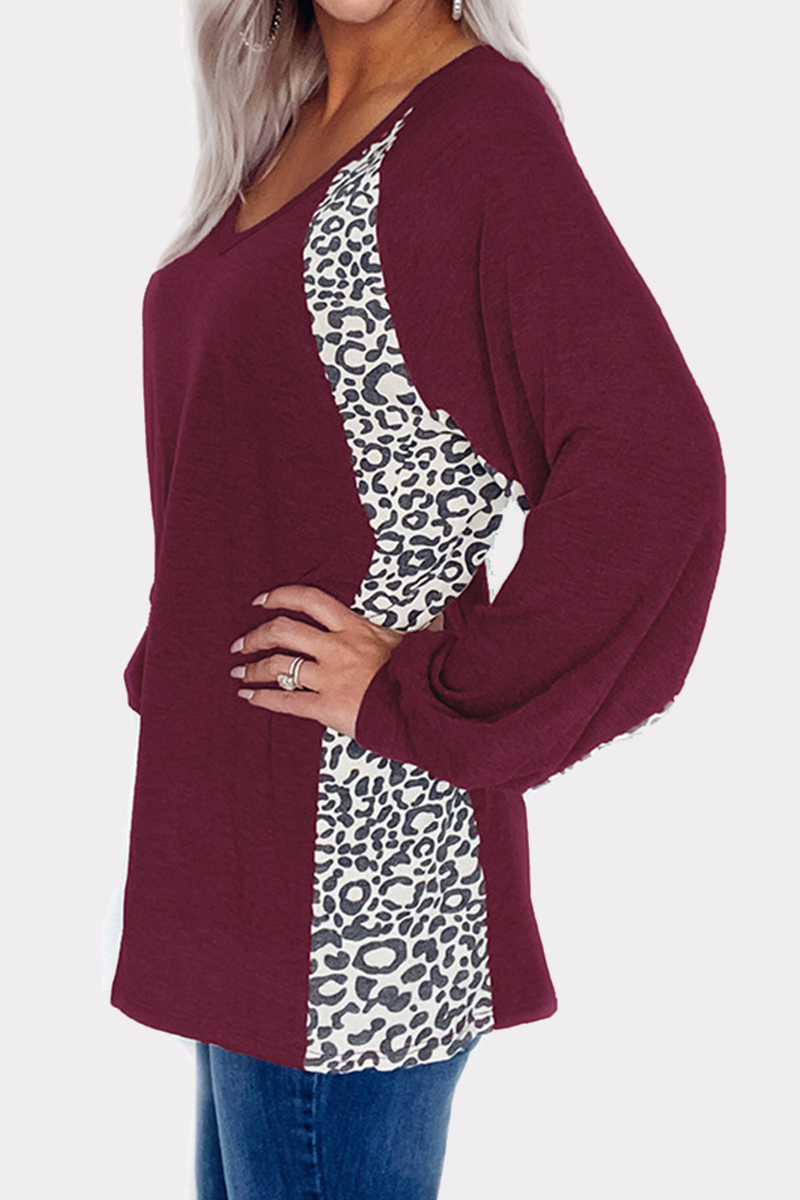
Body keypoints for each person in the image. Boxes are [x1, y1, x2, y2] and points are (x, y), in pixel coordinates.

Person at [107, 0, 726, 1196]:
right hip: (240, 853)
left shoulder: (476, 130)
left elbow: (652, 467)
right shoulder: (284, 125)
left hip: (357, 873)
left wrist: (429, 686)